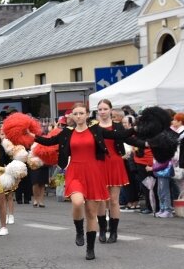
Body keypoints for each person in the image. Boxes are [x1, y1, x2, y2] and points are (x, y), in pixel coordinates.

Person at [29, 103, 132, 260]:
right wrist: (32, 136)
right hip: (75, 172)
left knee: (91, 213)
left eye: (81, 113)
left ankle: (90, 249)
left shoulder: (96, 130)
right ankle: (78, 230)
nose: (78, 116)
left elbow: (118, 136)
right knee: (77, 203)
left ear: (87, 114)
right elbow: (49, 142)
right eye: (75, 114)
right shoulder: (66, 133)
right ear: (72, 116)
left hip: (94, 173)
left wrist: (138, 129)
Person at [94, 99, 130, 243]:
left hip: (115, 163)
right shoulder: (94, 128)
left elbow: (128, 139)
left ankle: (114, 232)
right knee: (101, 200)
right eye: (100, 109)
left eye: (105, 109)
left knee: (114, 200)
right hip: (99, 164)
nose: (102, 112)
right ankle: (102, 230)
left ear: (110, 110)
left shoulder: (118, 127)